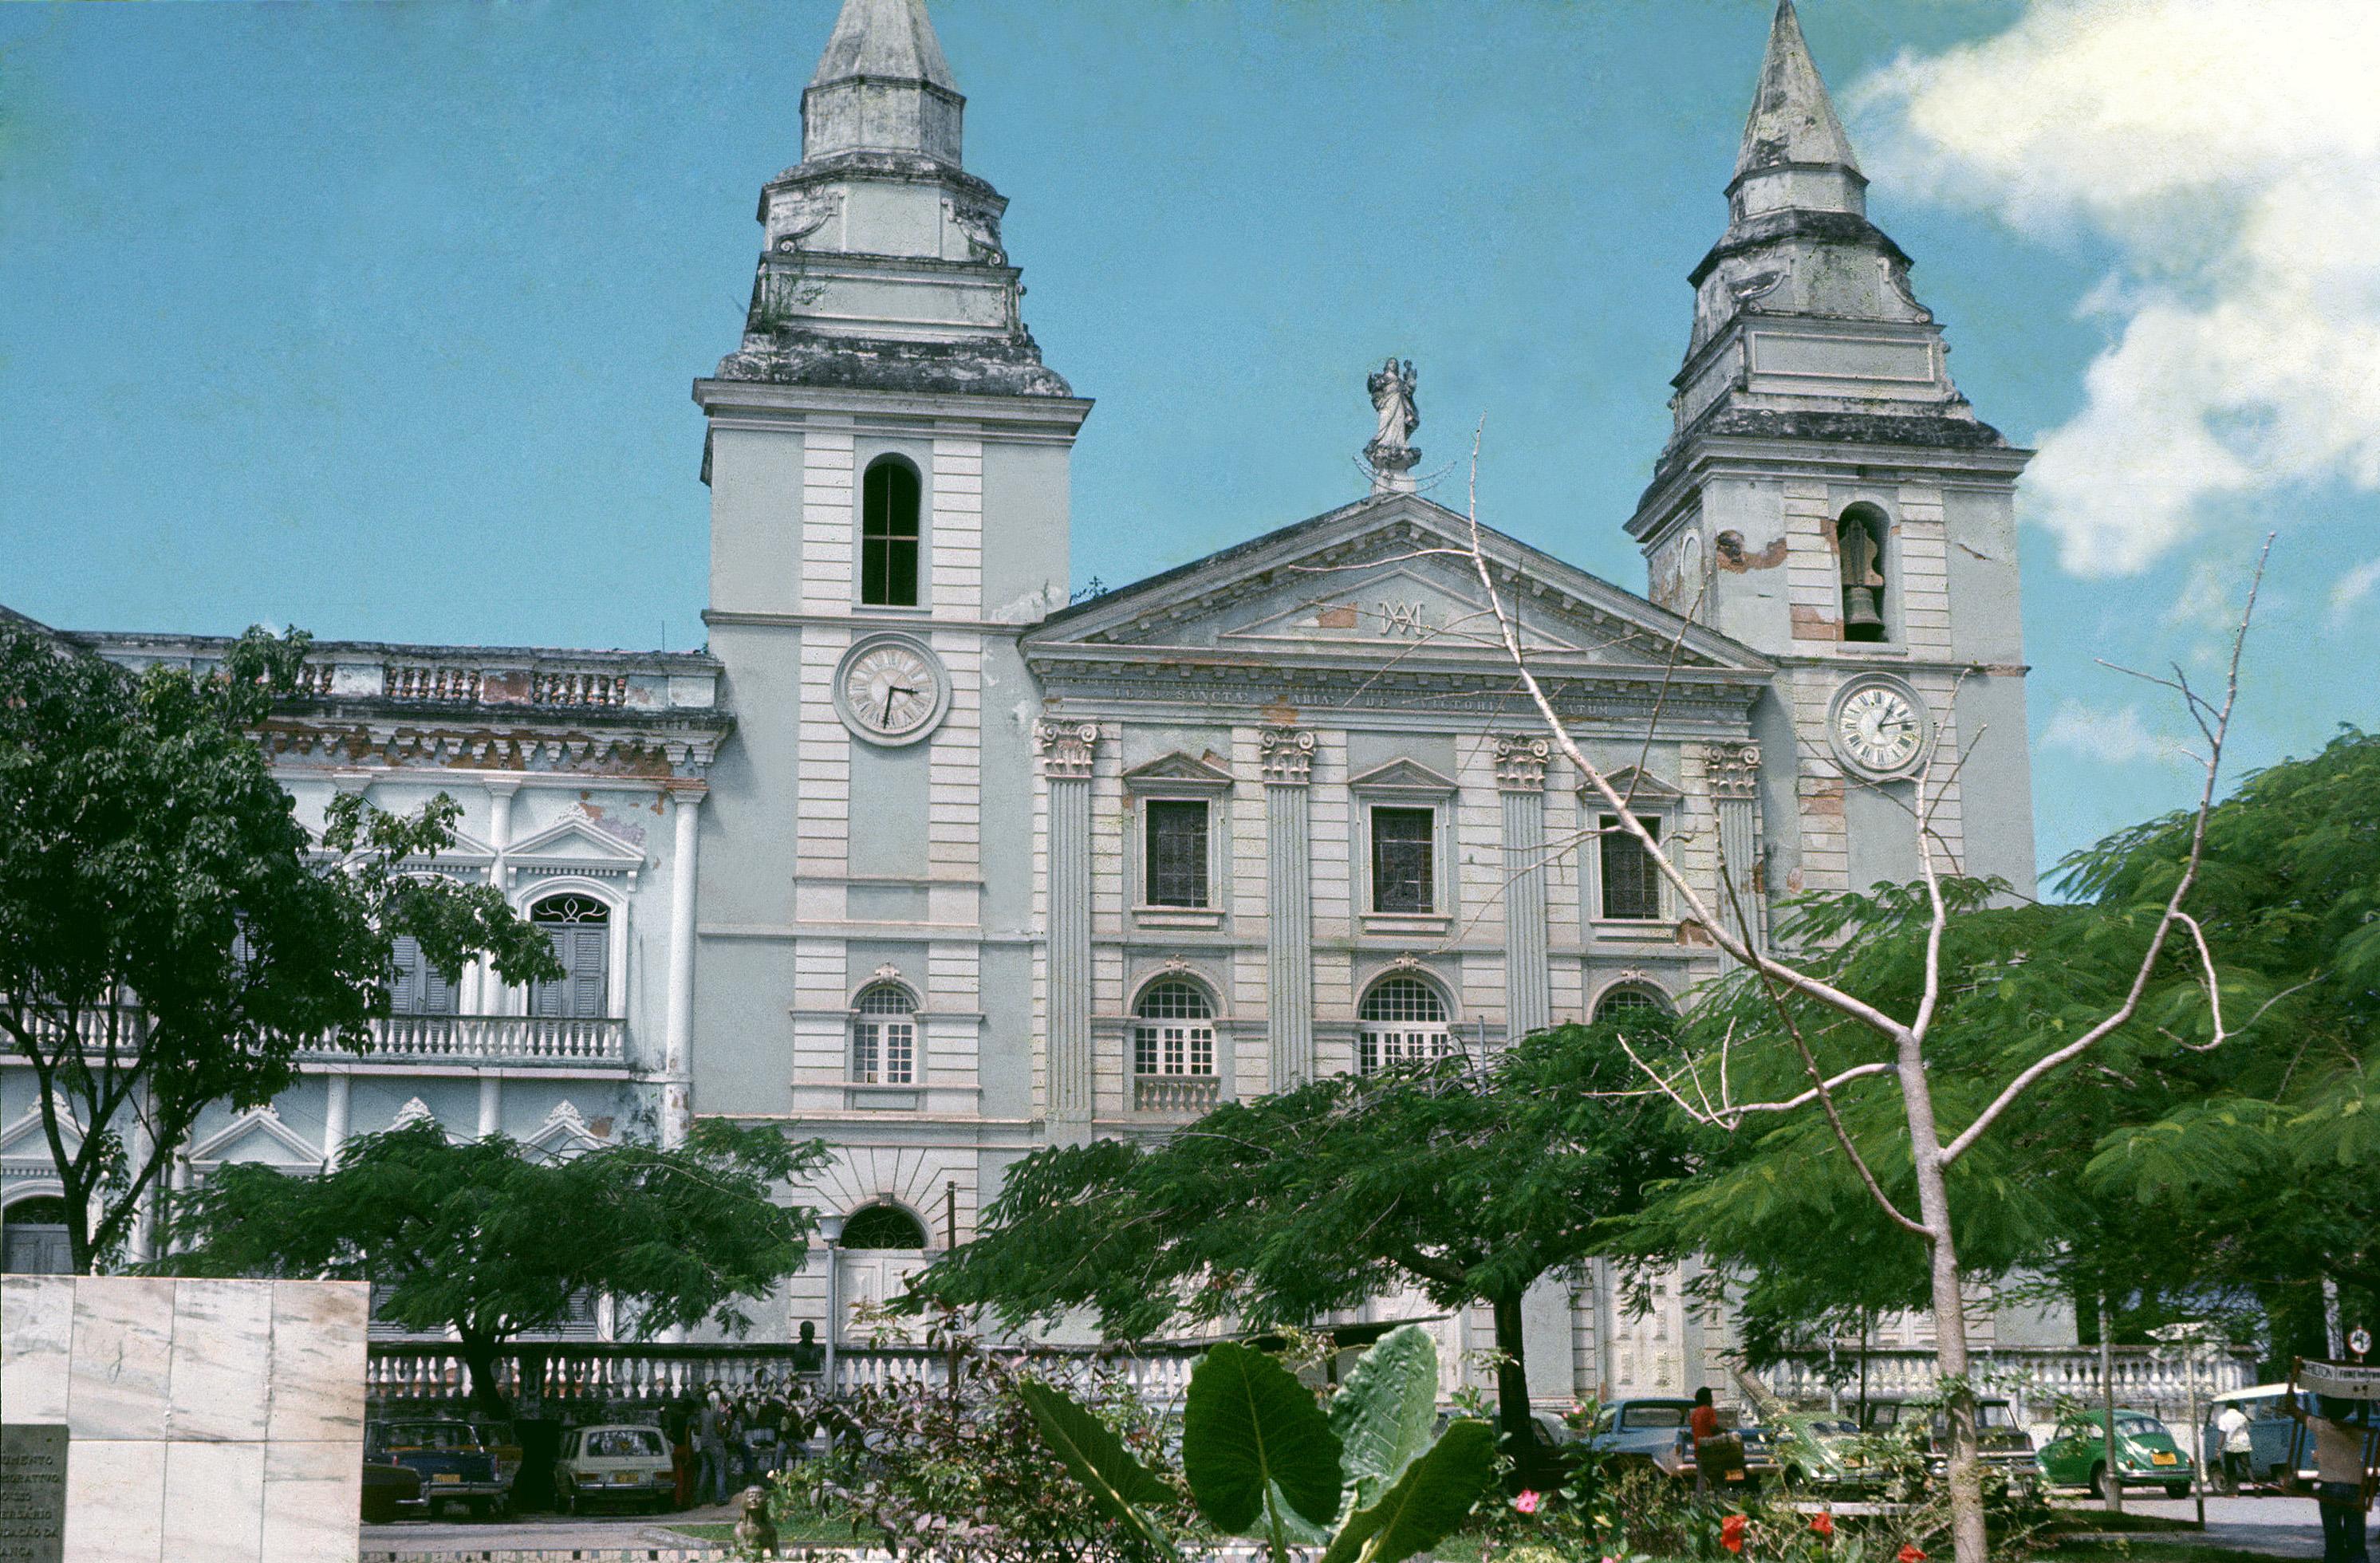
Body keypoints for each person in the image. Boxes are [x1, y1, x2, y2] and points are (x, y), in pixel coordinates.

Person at [2289, 1392, 2374, 1563]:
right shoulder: (2358, 1429)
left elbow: (2294, 1411)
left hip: (2329, 1488)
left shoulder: (2321, 1426)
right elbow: (2363, 1412)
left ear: (2325, 1407)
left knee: (2333, 1542)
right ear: (2349, 1409)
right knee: (2356, 1541)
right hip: (2354, 1488)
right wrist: (2362, 1393)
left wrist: (2290, 1394)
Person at [696, 1388, 731, 1508]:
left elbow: (699, 1429)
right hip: (715, 1444)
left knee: (705, 1471)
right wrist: (726, 1424)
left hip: (704, 1444)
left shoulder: (703, 1412)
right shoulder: (718, 1412)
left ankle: (699, 1497)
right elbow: (720, 1429)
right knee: (719, 1471)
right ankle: (720, 1497)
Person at [1690, 1388, 1722, 1497]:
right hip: (1711, 1450)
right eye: (1711, 1397)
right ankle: (1721, 1500)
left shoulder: (1694, 1413)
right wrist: (1723, 1432)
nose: (1712, 1400)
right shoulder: (1709, 1411)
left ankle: (1701, 1502)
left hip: (1699, 1450)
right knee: (1719, 1478)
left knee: (1701, 1479)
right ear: (1707, 1398)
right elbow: (1713, 1428)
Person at [2216, 1402, 2254, 1492]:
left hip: (2231, 1446)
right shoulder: (2242, 1416)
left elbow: (2222, 1434)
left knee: (2230, 1469)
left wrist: (2218, 1449)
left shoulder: (2223, 1418)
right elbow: (2248, 1430)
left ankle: (2234, 1491)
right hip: (2244, 1444)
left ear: (2227, 1407)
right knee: (2247, 1467)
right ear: (2237, 1407)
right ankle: (2255, 1486)